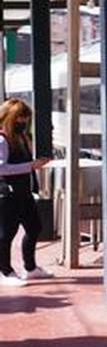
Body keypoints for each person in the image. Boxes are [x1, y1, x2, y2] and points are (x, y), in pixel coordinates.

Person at [0, 98, 52, 287]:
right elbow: (1, 168)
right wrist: (31, 166)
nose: (23, 123)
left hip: (23, 192)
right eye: (20, 119)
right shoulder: (2, 139)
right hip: (7, 193)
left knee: (34, 227)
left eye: (26, 120)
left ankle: (30, 267)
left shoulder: (21, 138)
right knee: (6, 233)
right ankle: (5, 271)